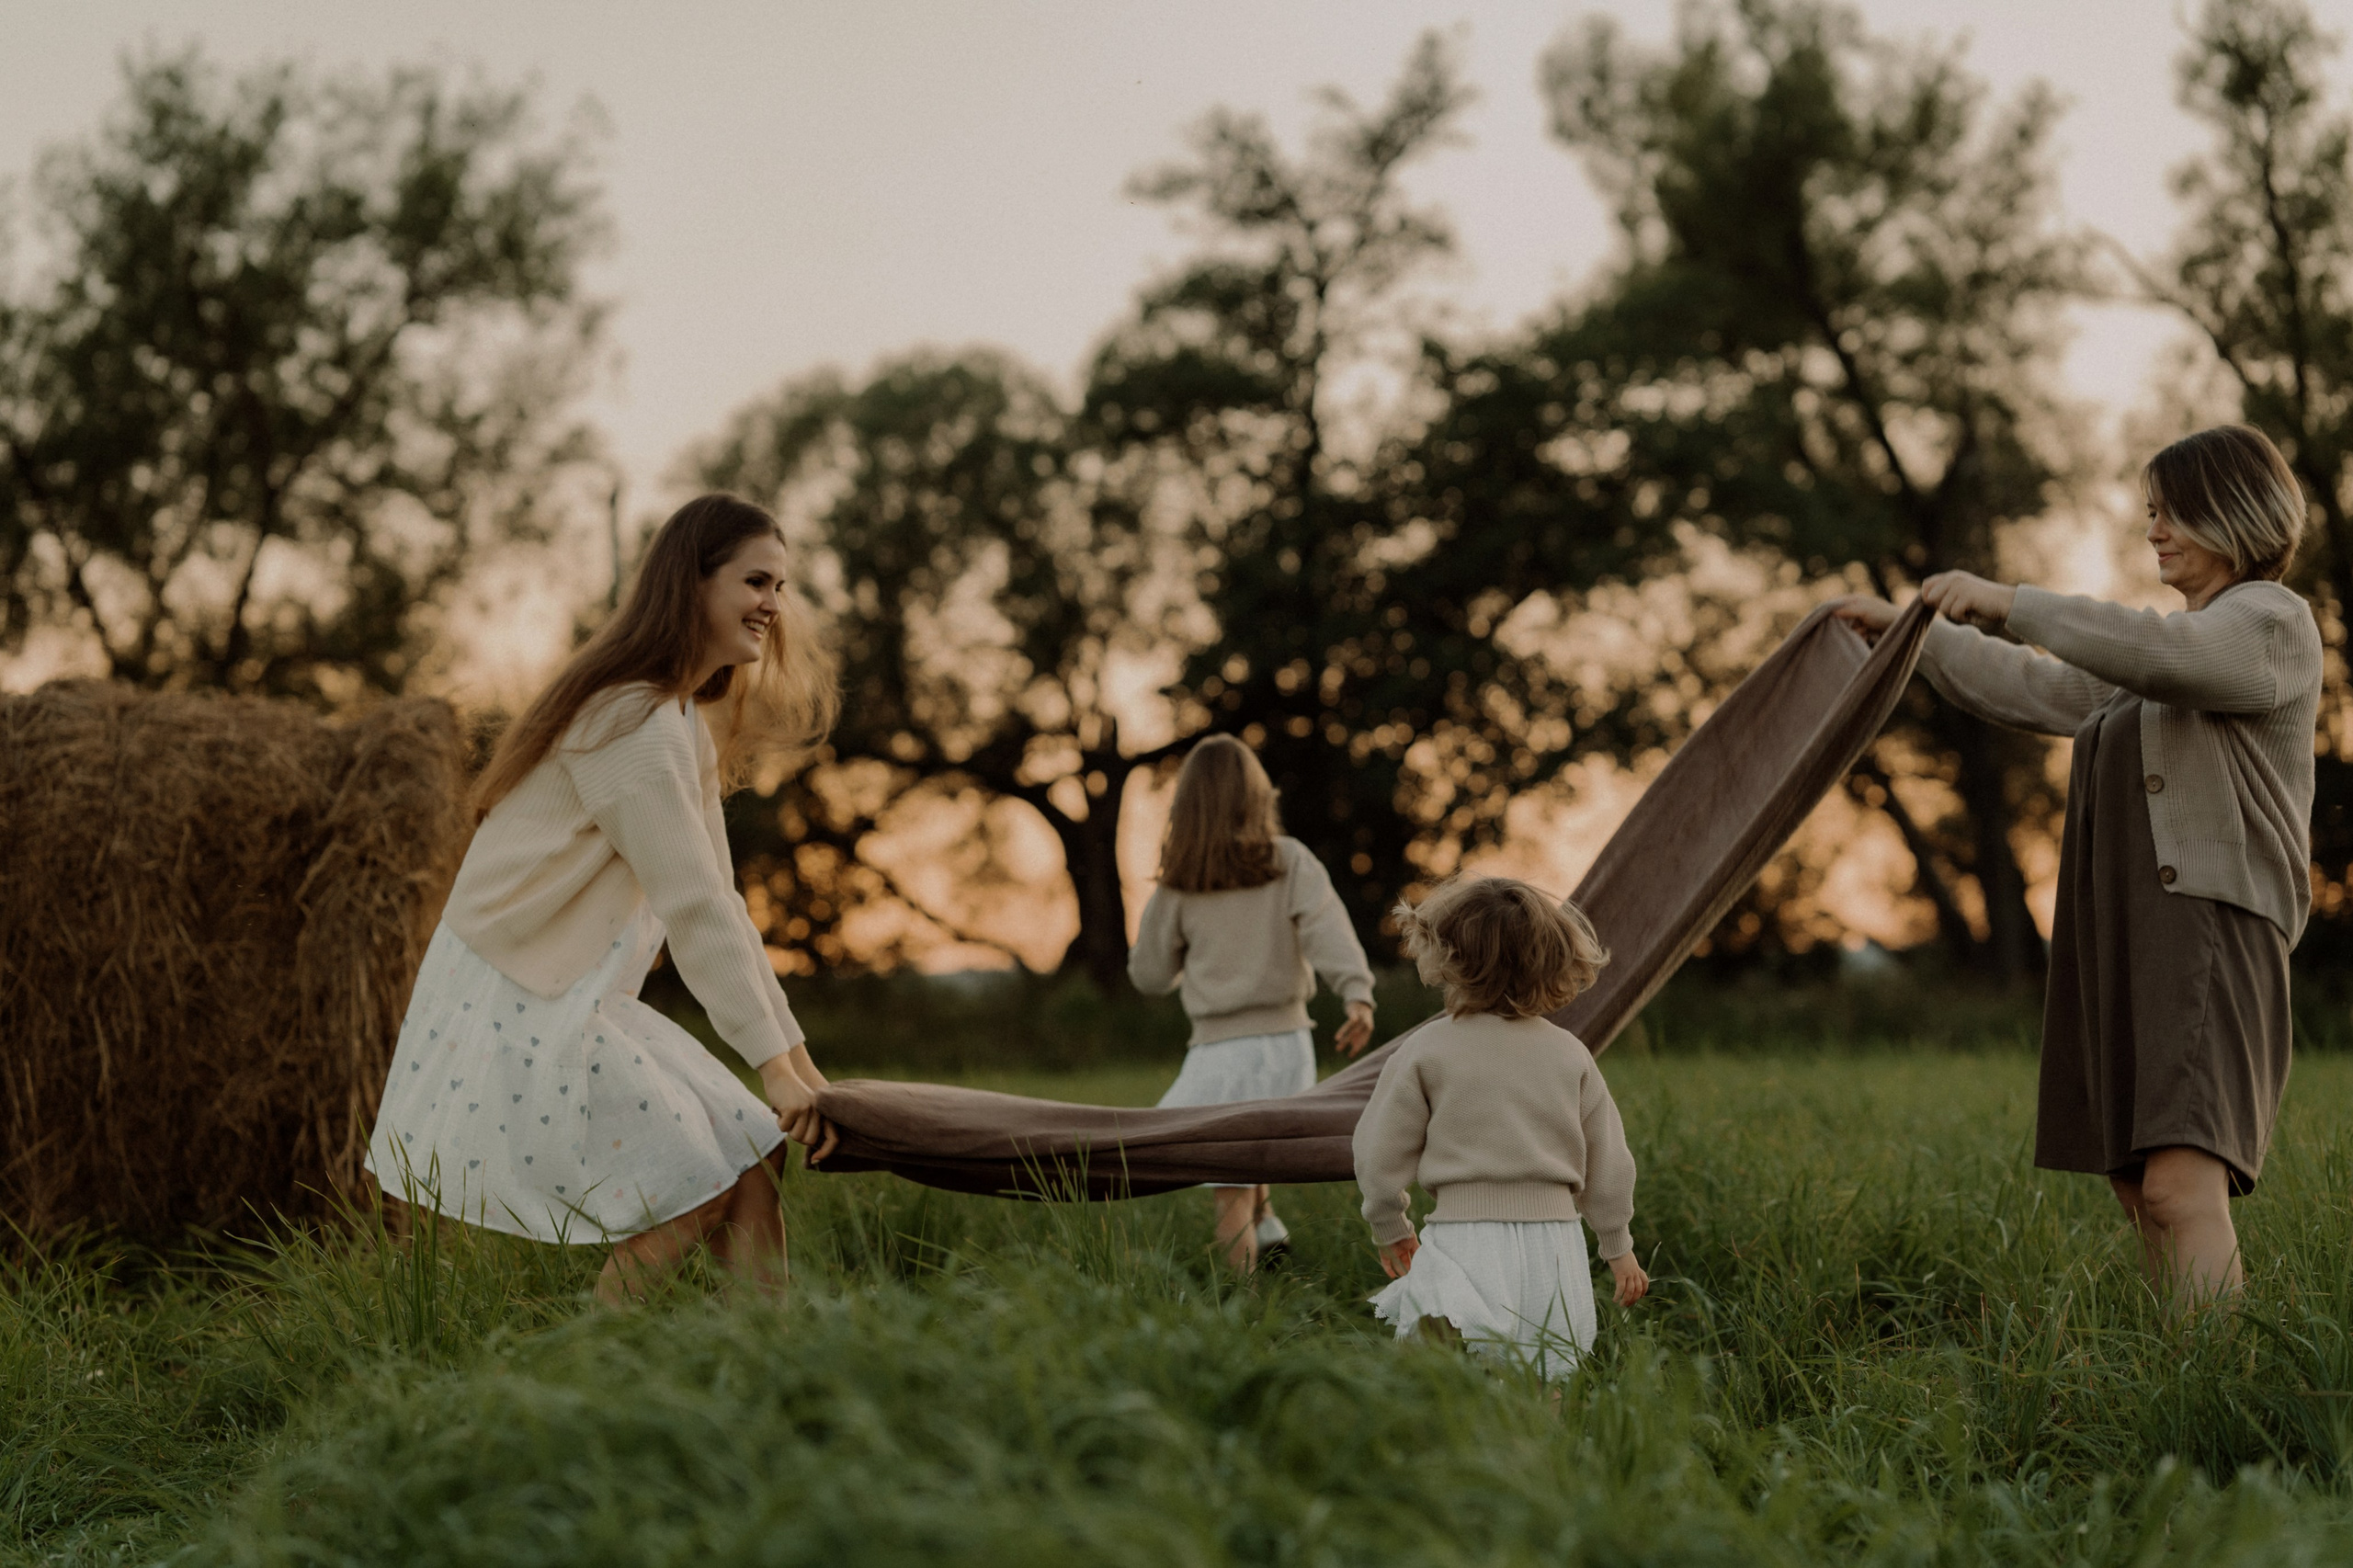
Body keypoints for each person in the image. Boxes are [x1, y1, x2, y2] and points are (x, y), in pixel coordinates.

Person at [1830, 424, 2321, 1310]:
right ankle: (2181, 1370)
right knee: (2137, 1187)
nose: (2154, 532)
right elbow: (2043, 688)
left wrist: (2009, 600)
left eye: (2172, 513)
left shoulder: (2270, 623)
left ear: (2234, 511)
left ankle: (2218, 1378)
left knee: (2180, 1187)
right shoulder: (2164, 653)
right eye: (2151, 513)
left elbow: (2171, 656)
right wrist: (1913, 638)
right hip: (2125, 929)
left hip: (2210, 922)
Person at [366, 494, 841, 1304]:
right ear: (693, 584)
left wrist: (799, 1068)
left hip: (576, 998)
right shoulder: (631, 722)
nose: (773, 603)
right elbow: (692, 908)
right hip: (518, 1001)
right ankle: (583, 1366)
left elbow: (721, 903)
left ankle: (770, 1358)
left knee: (752, 1148)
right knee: (691, 1185)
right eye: (756, 581)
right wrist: (774, 1069)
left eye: (780, 586)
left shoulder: (678, 721)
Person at [1355, 877, 1648, 1381]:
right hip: (1555, 1248)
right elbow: (1608, 1159)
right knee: (1545, 1376)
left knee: (1434, 1373)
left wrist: (1390, 1225)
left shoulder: (1426, 1049)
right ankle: (1544, 1435)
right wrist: (1617, 1245)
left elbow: (1378, 1149)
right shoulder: (1570, 1054)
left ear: (1446, 956)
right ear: (1551, 960)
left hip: (1463, 1239)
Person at [1129, 734, 1377, 1269]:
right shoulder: (1289, 860)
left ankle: (1240, 1303)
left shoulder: (1181, 883)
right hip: (1288, 1047)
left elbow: (1149, 975)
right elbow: (1329, 932)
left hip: (1223, 1053)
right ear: (1259, 797)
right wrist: (1357, 995)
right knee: (1253, 1153)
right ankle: (1270, 1234)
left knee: (1228, 1185)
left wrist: (1168, 914)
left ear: (1186, 808)